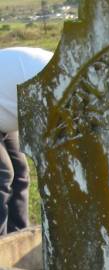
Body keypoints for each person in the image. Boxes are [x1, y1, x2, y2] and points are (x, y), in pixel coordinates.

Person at [0, 47, 53, 236]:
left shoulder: (57, 68)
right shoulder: (55, 78)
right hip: (5, 105)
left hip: (4, 109)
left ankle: (19, 237)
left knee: (20, 172)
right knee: (3, 175)